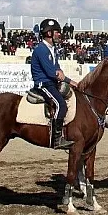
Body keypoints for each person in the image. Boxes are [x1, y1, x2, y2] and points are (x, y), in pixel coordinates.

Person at [30, 18, 77, 149]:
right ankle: (57, 139)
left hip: (52, 83)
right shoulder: (41, 49)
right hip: (43, 84)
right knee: (60, 104)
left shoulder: (52, 49)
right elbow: (52, 72)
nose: (59, 34)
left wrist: (61, 73)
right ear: (48, 33)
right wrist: (69, 81)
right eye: (56, 32)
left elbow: (57, 68)